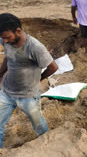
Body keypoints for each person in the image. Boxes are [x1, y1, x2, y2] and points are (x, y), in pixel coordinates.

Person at [0, 13, 58, 148]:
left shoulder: (35, 47)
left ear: (18, 31)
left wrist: (40, 79)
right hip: (7, 92)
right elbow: (8, 56)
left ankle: (46, 147)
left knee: (38, 125)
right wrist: (1, 72)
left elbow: (53, 67)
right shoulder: (6, 40)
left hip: (29, 96)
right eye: (3, 38)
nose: (5, 41)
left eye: (8, 37)